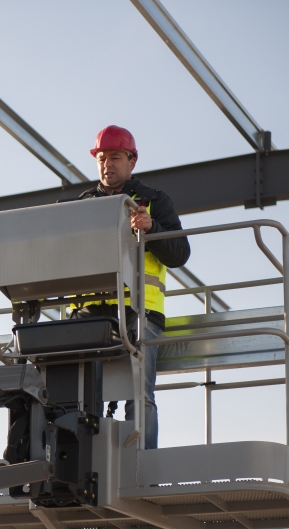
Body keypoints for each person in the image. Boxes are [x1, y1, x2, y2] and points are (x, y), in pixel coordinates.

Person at [68, 125, 190, 449]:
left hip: (141, 313)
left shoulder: (153, 202)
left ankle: (141, 471)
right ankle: (86, 464)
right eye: (102, 158)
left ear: (131, 161)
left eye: (116, 157)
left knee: (139, 396)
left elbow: (180, 253)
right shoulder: (81, 206)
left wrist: (152, 229)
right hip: (89, 314)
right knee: (79, 397)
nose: (108, 164)